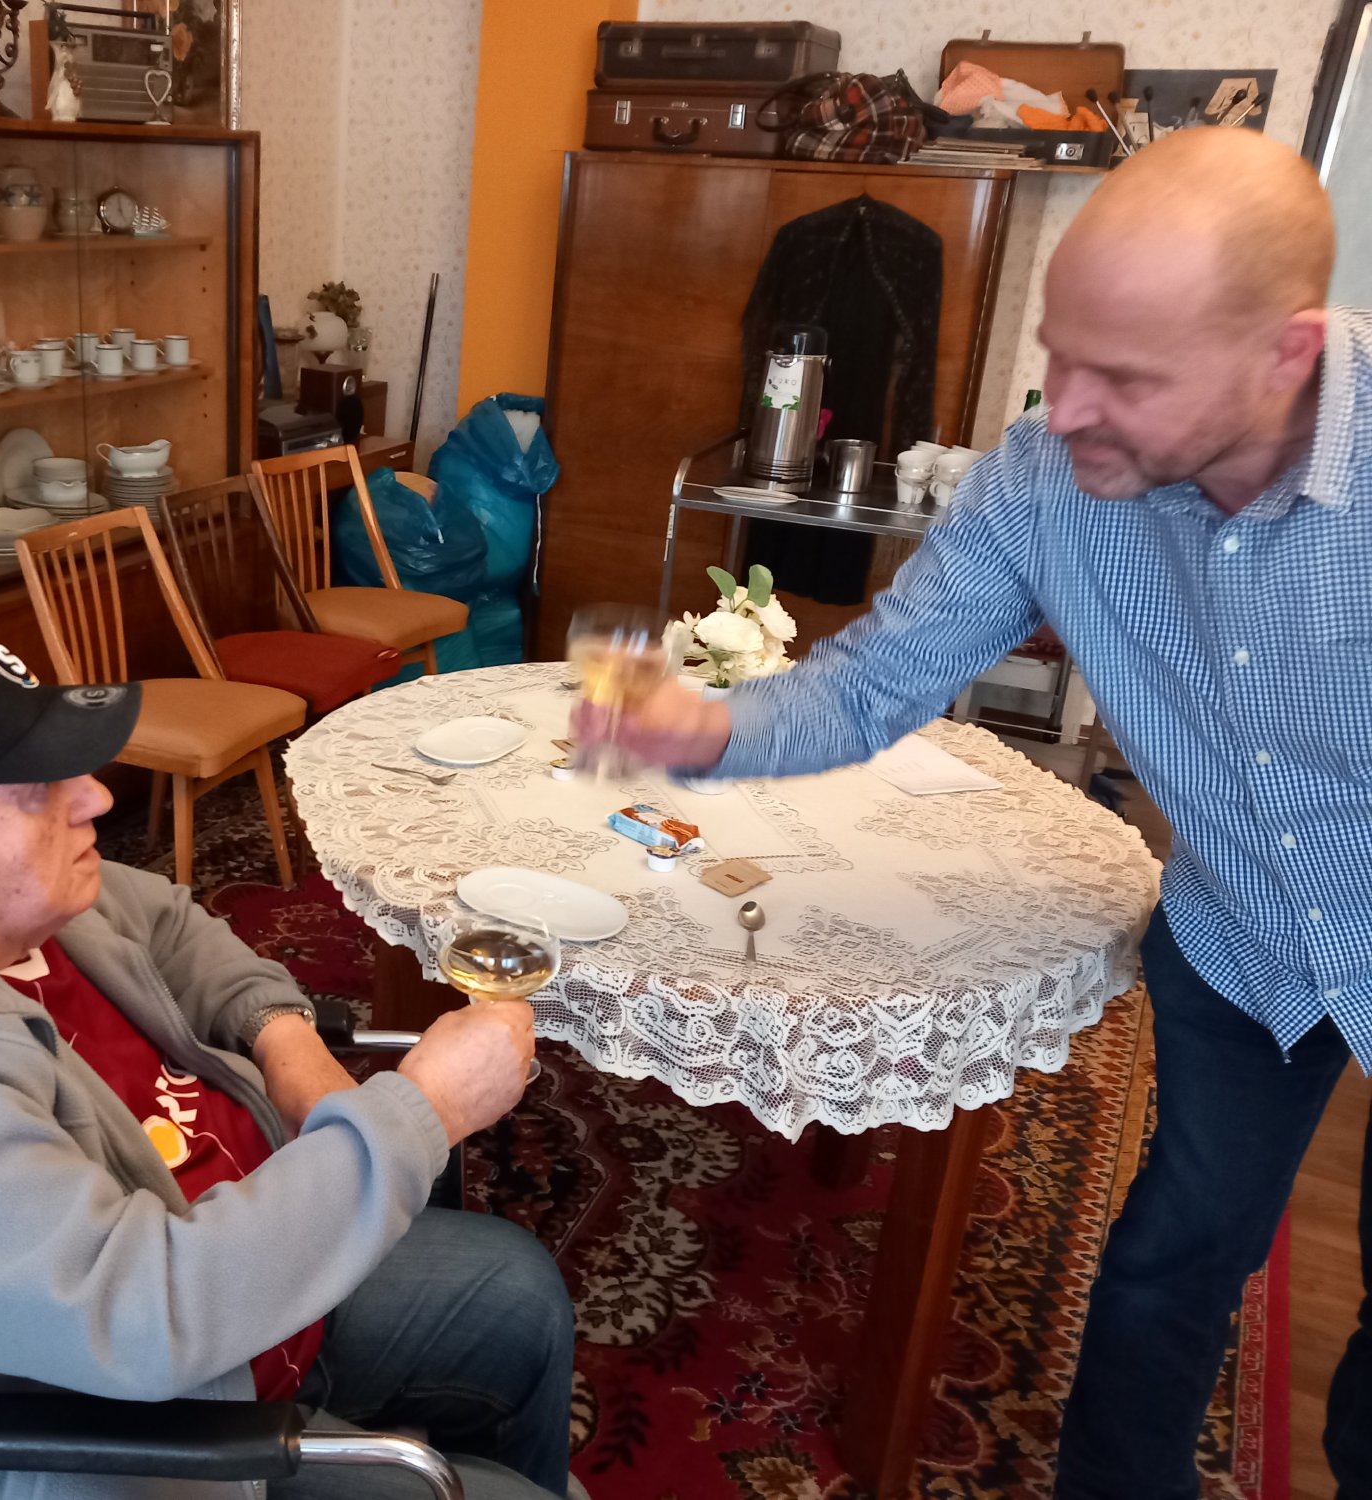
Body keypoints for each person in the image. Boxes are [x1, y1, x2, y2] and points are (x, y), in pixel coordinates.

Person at [581, 127, 1370, 1500]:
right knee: (1169, 1261)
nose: (1066, 412)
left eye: (1124, 378)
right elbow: (871, 682)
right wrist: (705, 728)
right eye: (1060, 359)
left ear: (1284, 355)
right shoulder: (1040, 475)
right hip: (1241, 935)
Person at [0, 620, 578, 1500]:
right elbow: (142, 1313)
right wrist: (422, 1112)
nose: (95, 796)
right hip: (138, 1443)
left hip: (243, 1298)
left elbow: (168, 922)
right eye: (39, 789)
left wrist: (284, 1041)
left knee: (518, 1296)